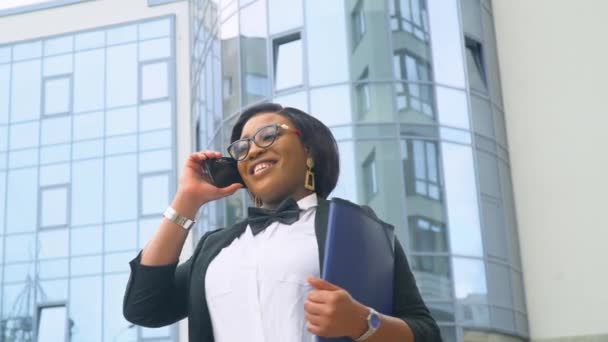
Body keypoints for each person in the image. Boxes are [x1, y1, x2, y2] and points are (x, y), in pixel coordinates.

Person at [123, 103, 441, 342]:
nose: (253, 150)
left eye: (268, 135)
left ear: (309, 152)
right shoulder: (215, 247)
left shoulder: (355, 228)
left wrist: (362, 321)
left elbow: (425, 332)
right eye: (242, 148)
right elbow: (145, 306)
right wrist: (187, 201)